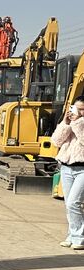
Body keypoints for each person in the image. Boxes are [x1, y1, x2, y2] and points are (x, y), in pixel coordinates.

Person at [52, 96, 84, 250]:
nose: (78, 112)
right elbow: (56, 141)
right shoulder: (69, 124)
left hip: (82, 169)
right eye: (76, 108)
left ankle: (79, 237)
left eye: (82, 109)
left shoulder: (79, 124)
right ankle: (72, 235)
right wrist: (65, 123)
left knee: (73, 202)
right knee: (69, 204)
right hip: (66, 168)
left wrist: (77, 123)